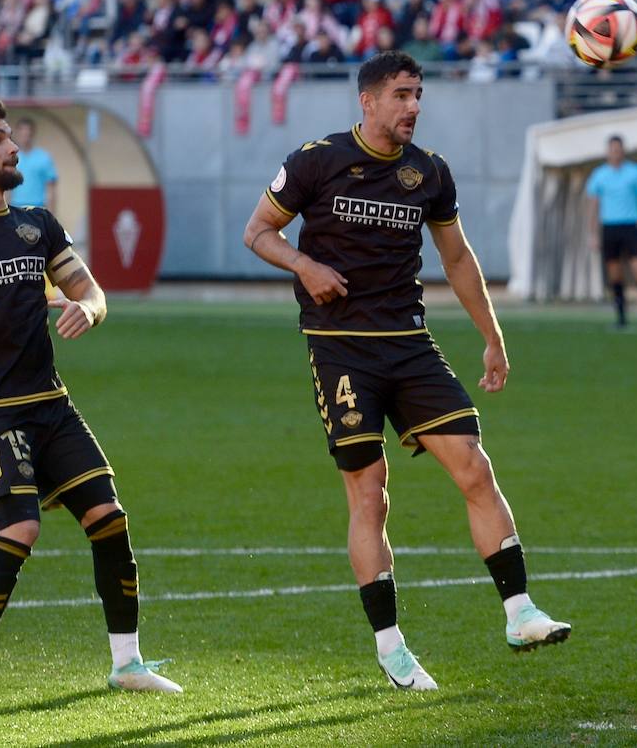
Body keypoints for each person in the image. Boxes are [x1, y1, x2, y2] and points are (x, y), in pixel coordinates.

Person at [242, 52, 570, 691]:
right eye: (400, 94)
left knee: (475, 466)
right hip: (340, 349)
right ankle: (392, 647)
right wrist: (306, 267)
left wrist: (493, 336)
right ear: (367, 101)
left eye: (417, 94)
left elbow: (458, 258)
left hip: (410, 345)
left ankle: (519, 611)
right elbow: (257, 231)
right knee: (371, 493)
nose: (413, 106)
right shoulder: (315, 160)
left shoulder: (430, 173)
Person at [0, 96, 181, 702]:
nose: (12, 148)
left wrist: (87, 307)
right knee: (22, 527)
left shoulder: (37, 224)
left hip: (51, 404)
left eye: (11, 137)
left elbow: (91, 289)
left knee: (109, 519)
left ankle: (127, 663)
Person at [585, 135, 637, 328]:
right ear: (608, 151)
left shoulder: (635, 172)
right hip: (610, 227)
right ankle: (621, 318)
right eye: (612, 149)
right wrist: (592, 233)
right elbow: (593, 206)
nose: (615, 153)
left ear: (623, 151)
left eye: (618, 149)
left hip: (631, 227)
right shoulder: (599, 175)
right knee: (614, 273)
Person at [7, 118, 57, 211]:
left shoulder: (44, 158)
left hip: (38, 208)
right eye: (22, 134)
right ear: (17, 133)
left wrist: (51, 215)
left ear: (32, 134)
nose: (25, 137)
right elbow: (7, 188)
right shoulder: (11, 157)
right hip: (15, 208)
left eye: (27, 134)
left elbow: (50, 189)